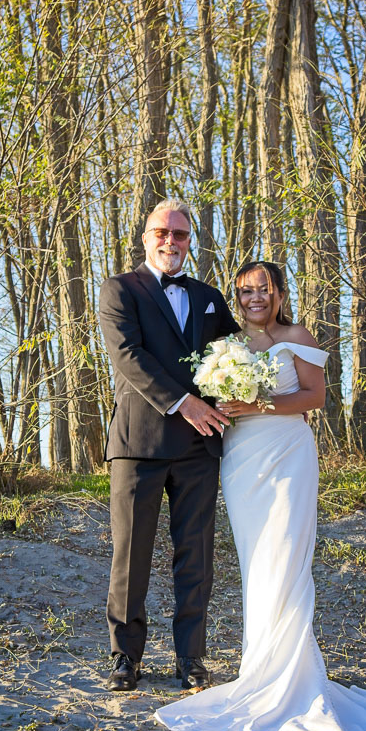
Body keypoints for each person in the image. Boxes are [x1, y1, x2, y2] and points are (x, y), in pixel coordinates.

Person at [155, 261, 366, 731]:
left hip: (287, 456)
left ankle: (293, 680)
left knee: (285, 562)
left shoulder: (295, 333)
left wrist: (256, 405)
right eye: (244, 290)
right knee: (258, 566)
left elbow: (315, 397)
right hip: (242, 465)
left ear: (280, 292)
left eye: (263, 289)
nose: (254, 297)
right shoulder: (230, 345)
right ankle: (260, 671)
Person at [98, 199, 238, 692]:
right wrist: (186, 403)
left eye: (180, 235)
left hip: (200, 448)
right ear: (145, 236)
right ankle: (125, 659)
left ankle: (191, 659)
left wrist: (274, 388)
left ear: (189, 242)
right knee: (130, 557)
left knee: (195, 556)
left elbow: (238, 353)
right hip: (139, 444)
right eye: (163, 232)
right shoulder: (121, 289)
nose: (171, 242)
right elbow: (128, 356)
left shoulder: (208, 296)